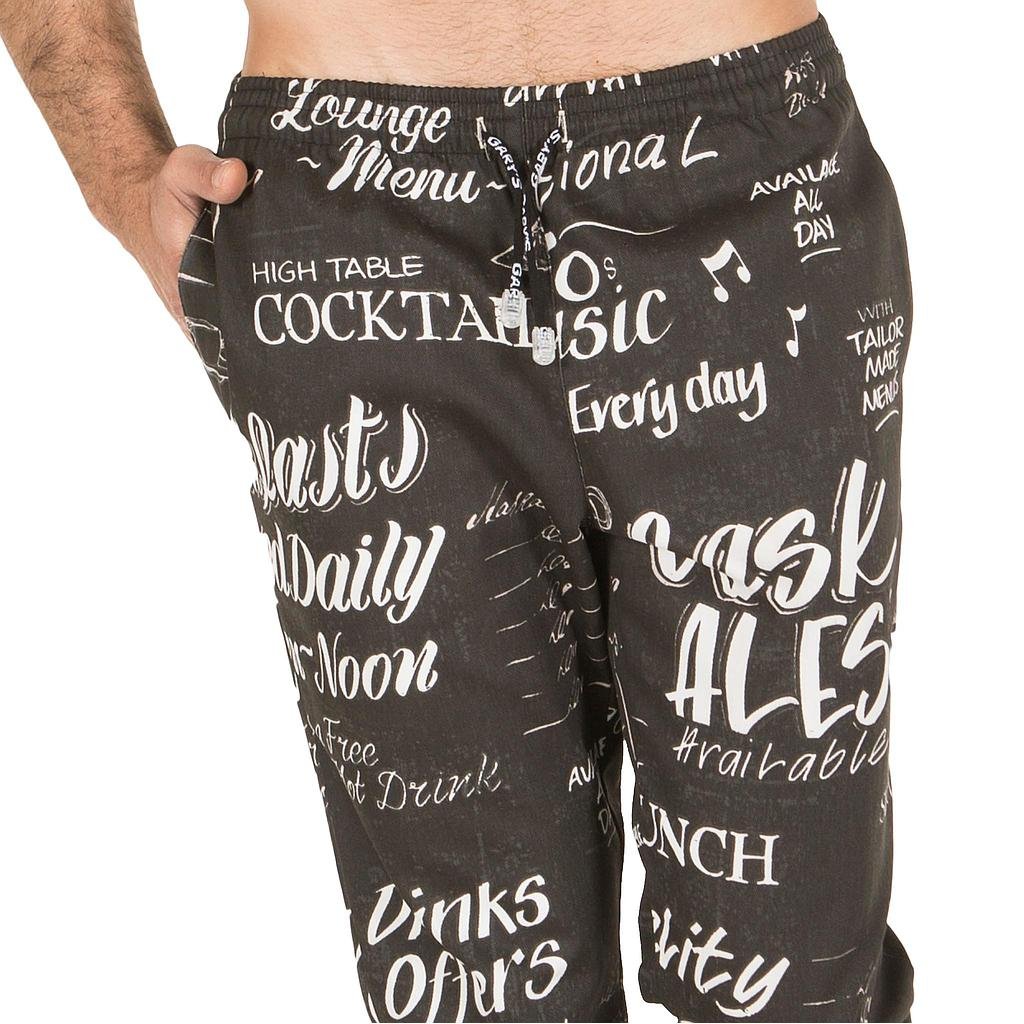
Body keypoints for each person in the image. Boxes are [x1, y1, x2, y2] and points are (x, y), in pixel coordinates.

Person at [0, 2, 916, 1020]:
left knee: (799, 970)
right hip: (343, 205)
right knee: (472, 975)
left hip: (745, 172)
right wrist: (123, 175)